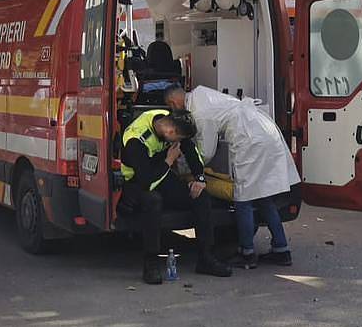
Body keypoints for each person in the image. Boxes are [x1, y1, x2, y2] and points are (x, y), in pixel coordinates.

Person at [166, 86, 297, 270]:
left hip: (250, 140)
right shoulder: (200, 95)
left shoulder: (199, 112)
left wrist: (183, 168)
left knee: (243, 199)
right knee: (263, 196)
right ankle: (281, 250)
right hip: (264, 132)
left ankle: (247, 253)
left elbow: (206, 152)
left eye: (171, 107)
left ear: (173, 103)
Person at [117, 107, 232, 284]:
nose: (179, 143)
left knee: (200, 196)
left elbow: (190, 150)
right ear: (170, 132)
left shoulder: (171, 122)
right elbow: (147, 182)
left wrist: (200, 178)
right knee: (153, 201)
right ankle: (151, 263)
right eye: (178, 139)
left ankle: (206, 257)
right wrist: (169, 160)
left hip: (161, 174)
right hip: (137, 182)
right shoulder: (136, 140)